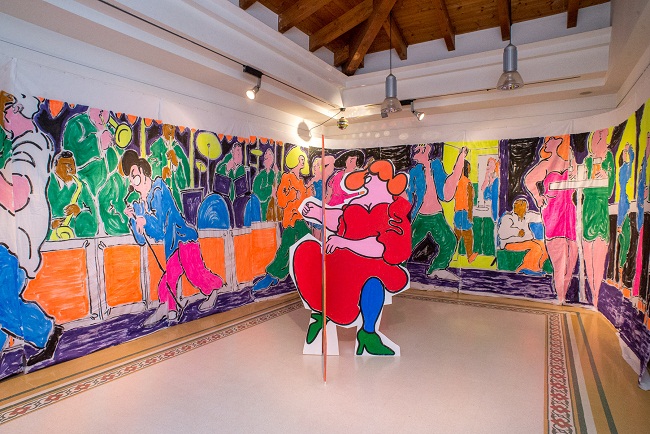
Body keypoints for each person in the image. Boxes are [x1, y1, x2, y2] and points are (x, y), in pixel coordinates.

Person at [293, 160, 411, 355]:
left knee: (373, 283)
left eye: (371, 176)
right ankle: (322, 314)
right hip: (345, 261)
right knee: (309, 254)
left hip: (374, 265)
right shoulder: (357, 202)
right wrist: (318, 213)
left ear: (385, 180)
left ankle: (368, 334)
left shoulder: (394, 211)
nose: (366, 179)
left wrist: (345, 243)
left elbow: (382, 248)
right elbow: (340, 219)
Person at [121, 150, 224, 325]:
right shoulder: (139, 206)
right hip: (171, 246)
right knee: (168, 279)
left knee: (194, 273)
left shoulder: (160, 189)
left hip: (183, 238)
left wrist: (144, 220)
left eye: (134, 176)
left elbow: (162, 225)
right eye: (130, 179)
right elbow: (141, 239)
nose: (132, 182)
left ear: (144, 172)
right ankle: (168, 308)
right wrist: (133, 219)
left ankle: (212, 290)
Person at [0, 93, 63, 367]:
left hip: (15, 243)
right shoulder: (20, 145)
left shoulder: (31, 145)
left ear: (18, 110)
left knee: (3, 301)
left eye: (6, 111)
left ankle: (46, 332)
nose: (4, 118)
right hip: (10, 240)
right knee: (5, 300)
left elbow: (19, 193)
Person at [524, 135, 578, 304]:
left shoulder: (570, 162)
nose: (548, 142)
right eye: (549, 140)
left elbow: (578, 179)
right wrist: (539, 198)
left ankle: (564, 293)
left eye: (552, 139)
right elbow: (529, 180)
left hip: (570, 214)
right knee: (557, 258)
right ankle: (560, 295)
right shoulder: (546, 164)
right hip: (553, 215)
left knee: (572, 256)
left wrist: (573, 160)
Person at [252, 145, 311, 291]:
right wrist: (293, 195)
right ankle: (272, 275)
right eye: (301, 159)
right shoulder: (287, 177)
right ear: (294, 160)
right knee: (286, 248)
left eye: (303, 159)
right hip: (290, 220)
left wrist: (308, 191)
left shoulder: (301, 182)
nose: (302, 161)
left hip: (300, 219)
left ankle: (285, 273)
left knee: (305, 244)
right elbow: (282, 200)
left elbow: (305, 201)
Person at [407, 143, 468, 281]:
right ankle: (397, 266)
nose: (422, 150)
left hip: (436, 215)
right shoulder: (414, 171)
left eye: (423, 148)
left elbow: (448, 184)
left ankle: (437, 268)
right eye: (418, 150)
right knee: (407, 243)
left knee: (450, 241)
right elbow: (409, 194)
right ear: (415, 155)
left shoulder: (436, 165)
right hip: (421, 216)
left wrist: (461, 157)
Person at [581, 129, 614, 307]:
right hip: (588, 208)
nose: (598, 142)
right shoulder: (587, 161)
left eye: (601, 138)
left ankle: (596, 295)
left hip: (601, 209)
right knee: (588, 252)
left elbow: (609, 192)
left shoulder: (609, 159)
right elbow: (584, 189)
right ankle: (592, 292)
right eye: (596, 139)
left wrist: (606, 177)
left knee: (599, 253)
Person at [48, 151, 98, 239]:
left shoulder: (81, 186)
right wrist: (51, 224)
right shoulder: (48, 186)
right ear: (55, 167)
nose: (71, 169)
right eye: (67, 165)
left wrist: (79, 213)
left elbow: (93, 218)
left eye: (73, 165)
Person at [497, 197, 548, 274]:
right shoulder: (508, 217)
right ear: (516, 208)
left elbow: (540, 217)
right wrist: (517, 232)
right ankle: (526, 268)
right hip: (510, 243)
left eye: (526, 207)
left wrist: (544, 207)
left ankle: (537, 268)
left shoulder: (526, 215)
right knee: (536, 247)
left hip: (525, 241)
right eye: (523, 207)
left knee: (544, 246)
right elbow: (502, 233)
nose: (526, 209)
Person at [149, 123, 190, 211]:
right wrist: (161, 171)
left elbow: (186, 169)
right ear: (163, 127)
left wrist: (176, 164)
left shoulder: (177, 148)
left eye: (173, 128)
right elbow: (150, 165)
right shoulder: (156, 146)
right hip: (161, 191)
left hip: (175, 191)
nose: (172, 131)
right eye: (170, 127)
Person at [615, 143, 634, 291]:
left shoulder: (627, 170)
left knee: (625, 249)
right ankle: (620, 280)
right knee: (623, 249)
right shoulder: (624, 171)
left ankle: (621, 280)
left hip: (625, 215)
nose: (625, 155)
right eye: (624, 153)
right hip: (624, 216)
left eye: (626, 153)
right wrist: (620, 223)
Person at [453, 160, 478, 263]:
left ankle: (451, 255)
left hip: (457, 212)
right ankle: (470, 256)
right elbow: (470, 201)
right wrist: (470, 215)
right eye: (469, 168)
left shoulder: (456, 181)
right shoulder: (467, 182)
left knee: (457, 234)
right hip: (464, 212)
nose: (470, 170)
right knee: (468, 235)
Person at [252, 147, 280, 220]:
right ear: (264, 161)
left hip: (274, 210)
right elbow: (256, 193)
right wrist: (269, 190)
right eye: (267, 157)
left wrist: (278, 173)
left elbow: (280, 187)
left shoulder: (274, 174)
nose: (269, 159)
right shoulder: (260, 176)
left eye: (270, 156)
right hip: (263, 210)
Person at [481, 157, 499, 221]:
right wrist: (483, 188)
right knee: (493, 205)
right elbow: (486, 181)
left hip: (495, 189)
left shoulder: (496, 173)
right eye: (489, 163)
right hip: (491, 189)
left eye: (492, 163)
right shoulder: (488, 173)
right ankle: (495, 219)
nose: (490, 164)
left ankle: (495, 218)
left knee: (495, 204)